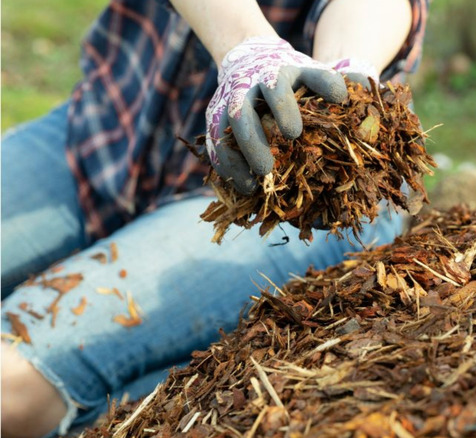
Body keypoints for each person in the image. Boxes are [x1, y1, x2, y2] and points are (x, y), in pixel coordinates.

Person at [0, 0, 428, 436]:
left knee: (10, 389)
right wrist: (248, 48)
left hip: (268, 195)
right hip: (108, 128)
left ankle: (166, 389)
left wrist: (346, 68)